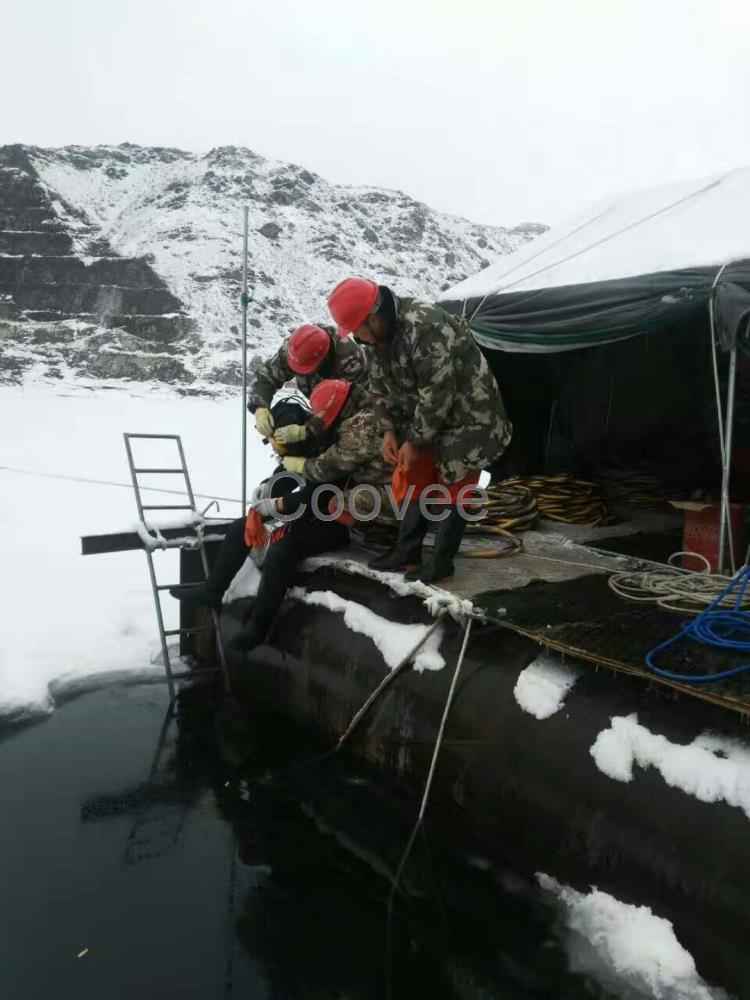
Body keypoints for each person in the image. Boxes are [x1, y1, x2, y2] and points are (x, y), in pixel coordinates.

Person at [170, 379, 391, 653]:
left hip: (340, 516)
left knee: (284, 544)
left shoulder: (339, 443)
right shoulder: (306, 442)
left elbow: (316, 492)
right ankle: (214, 588)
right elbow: (287, 477)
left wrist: (274, 507)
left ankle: (259, 626)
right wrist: (265, 497)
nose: (275, 449)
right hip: (316, 505)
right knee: (244, 524)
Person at [327, 277, 512, 583]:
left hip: (469, 415)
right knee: (415, 474)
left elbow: (438, 390)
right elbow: (377, 386)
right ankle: (407, 551)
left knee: (455, 483)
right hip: (427, 417)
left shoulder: (424, 325)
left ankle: (442, 562)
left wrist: (414, 441)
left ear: (373, 318)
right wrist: (388, 431)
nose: (358, 338)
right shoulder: (375, 339)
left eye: (358, 329)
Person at [247, 323, 367, 447]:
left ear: (323, 361)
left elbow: (351, 408)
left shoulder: (351, 361)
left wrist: (307, 430)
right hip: (319, 408)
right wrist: (259, 407)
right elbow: (267, 376)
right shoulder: (295, 350)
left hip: (351, 417)